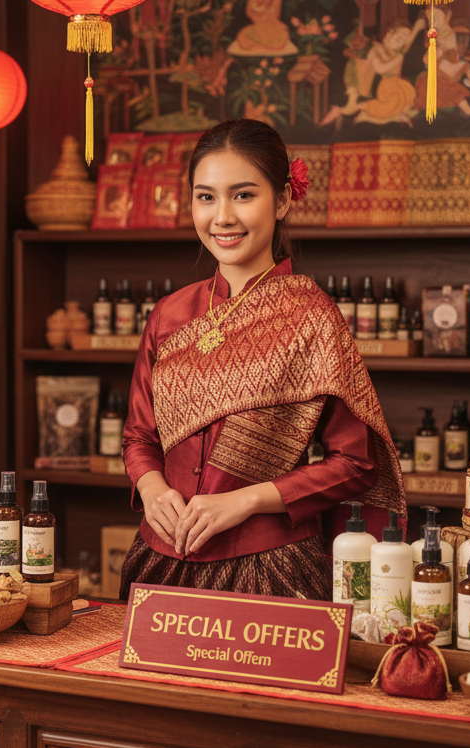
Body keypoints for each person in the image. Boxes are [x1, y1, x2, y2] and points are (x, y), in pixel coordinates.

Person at [120, 119, 406, 601]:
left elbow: (356, 463)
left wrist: (245, 501)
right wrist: (152, 490)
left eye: (243, 195)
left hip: (269, 572)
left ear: (284, 199)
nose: (222, 217)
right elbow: (140, 436)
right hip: (161, 564)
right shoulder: (169, 314)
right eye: (206, 197)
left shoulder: (312, 318)